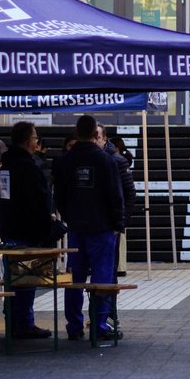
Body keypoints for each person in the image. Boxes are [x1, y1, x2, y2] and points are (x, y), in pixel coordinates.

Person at [54, 115, 124, 341]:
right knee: (102, 277)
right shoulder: (106, 161)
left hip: (77, 226)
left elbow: (60, 196)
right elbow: (115, 195)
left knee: (75, 277)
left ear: (76, 133)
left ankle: (74, 325)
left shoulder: (65, 161)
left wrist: (69, 217)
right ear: (96, 134)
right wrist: (117, 223)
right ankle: (100, 324)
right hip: (101, 226)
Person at [0, 121, 56, 339]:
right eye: (34, 137)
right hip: (26, 230)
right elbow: (38, 201)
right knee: (26, 280)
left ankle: (13, 321)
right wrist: (45, 228)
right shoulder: (28, 167)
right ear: (26, 140)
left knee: (12, 278)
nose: (36, 141)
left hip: (9, 227)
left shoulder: (6, 165)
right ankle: (24, 323)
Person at [106, 134, 138, 277]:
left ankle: (120, 266)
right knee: (121, 240)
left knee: (120, 239)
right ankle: (120, 266)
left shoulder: (118, 161)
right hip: (121, 206)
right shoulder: (124, 159)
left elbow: (129, 191)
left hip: (120, 206)